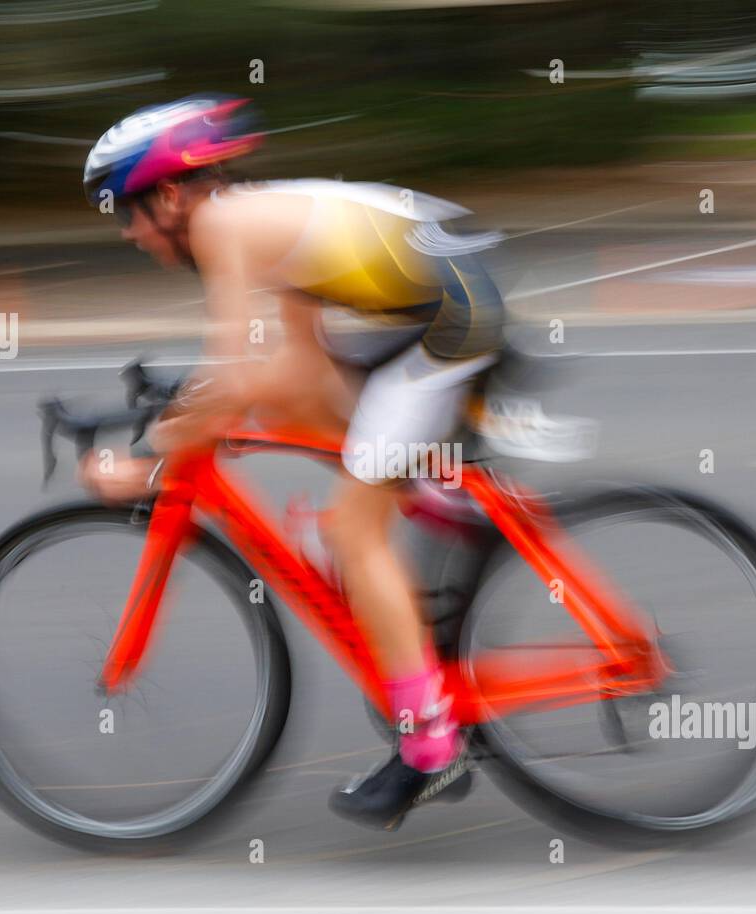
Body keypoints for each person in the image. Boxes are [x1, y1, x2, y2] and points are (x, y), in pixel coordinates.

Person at [80, 94, 505, 829]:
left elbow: (235, 371)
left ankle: (431, 749)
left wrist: (149, 458)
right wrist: (194, 409)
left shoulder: (220, 226)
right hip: (443, 302)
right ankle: (427, 492)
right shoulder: (253, 216)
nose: (128, 234)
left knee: (349, 531)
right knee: (297, 404)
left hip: (451, 321)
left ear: (171, 193)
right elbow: (293, 367)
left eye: (126, 211)